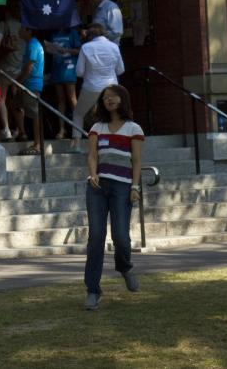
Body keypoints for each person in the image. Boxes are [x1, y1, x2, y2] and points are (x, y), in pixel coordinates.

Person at [83, 84, 143, 310]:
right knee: (96, 236)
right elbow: (92, 156)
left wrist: (135, 187)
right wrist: (92, 174)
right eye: (105, 97)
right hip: (97, 188)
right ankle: (93, 291)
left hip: (122, 187)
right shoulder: (97, 127)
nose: (109, 100)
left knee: (120, 236)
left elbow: (136, 161)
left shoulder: (133, 128)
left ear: (122, 98)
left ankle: (124, 266)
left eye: (113, 96)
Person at [72, 23, 124, 152]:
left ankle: (77, 144)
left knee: (78, 113)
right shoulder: (114, 47)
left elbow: (79, 72)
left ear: (90, 35)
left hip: (91, 86)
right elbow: (121, 70)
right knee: (110, 115)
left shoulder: (86, 47)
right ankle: (112, 143)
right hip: (111, 86)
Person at [0, 3, 24, 141]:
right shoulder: (24, 26)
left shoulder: (3, 24)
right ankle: (21, 130)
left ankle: (6, 130)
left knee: (3, 99)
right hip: (20, 68)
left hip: (5, 68)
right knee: (17, 99)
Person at [47, 23, 81, 139]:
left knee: (72, 99)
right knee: (60, 100)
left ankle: (77, 129)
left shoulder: (72, 32)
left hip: (69, 68)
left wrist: (65, 50)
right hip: (57, 68)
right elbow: (50, 50)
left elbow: (78, 50)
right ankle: (62, 129)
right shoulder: (53, 34)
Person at [14, 25, 44, 156]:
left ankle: (38, 144)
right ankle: (22, 133)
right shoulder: (31, 44)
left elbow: (30, 66)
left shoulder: (33, 44)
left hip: (31, 84)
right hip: (27, 83)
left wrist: (19, 81)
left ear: (29, 31)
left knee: (34, 113)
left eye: (22, 29)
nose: (19, 31)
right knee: (15, 104)